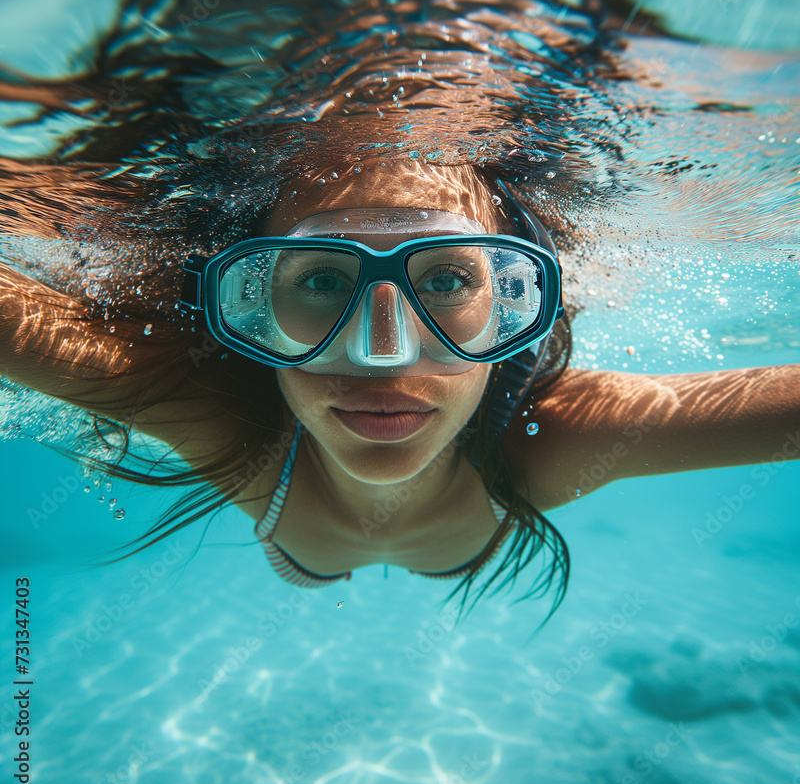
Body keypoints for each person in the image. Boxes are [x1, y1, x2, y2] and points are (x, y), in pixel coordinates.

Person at [1, 152, 798, 631]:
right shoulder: (235, 420)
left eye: (446, 279)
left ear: (513, 304)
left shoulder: (549, 430)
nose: (383, 354)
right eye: (321, 279)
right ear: (250, 304)